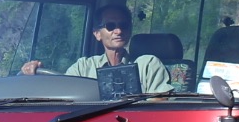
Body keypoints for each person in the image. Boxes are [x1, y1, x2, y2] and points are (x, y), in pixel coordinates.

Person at [21, 5, 172, 93]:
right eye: (111, 26)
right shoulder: (83, 67)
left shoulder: (148, 65)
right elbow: (61, 95)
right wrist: (35, 78)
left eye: (123, 25)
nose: (118, 31)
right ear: (97, 34)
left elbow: (161, 109)